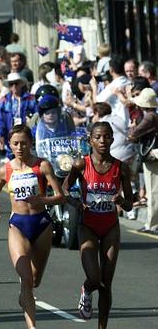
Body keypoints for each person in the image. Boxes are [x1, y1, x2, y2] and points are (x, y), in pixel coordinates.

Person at [0, 124, 64, 329]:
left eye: (24, 143)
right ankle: (32, 326)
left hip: (41, 224)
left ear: (31, 143)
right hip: (18, 226)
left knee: (34, 280)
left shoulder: (42, 166)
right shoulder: (5, 169)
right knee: (25, 278)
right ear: (10, 145)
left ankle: (25, 297)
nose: (20, 147)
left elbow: (60, 197)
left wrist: (42, 200)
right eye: (15, 143)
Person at [63, 122, 133, 326]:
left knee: (106, 283)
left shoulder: (121, 168)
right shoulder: (81, 164)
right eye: (98, 137)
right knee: (95, 279)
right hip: (88, 226)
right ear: (91, 140)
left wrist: (121, 201)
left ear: (113, 139)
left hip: (110, 226)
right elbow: (65, 190)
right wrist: (77, 203)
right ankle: (86, 288)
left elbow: (129, 205)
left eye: (107, 136)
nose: (103, 141)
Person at [127, 88, 158, 233]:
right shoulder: (152, 115)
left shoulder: (149, 117)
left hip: (153, 155)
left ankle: (152, 224)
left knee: (152, 190)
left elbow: (134, 134)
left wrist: (132, 128)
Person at [0, 73, 38, 160]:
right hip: (11, 136)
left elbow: (38, 118)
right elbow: (0, 120)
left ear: (21, 84)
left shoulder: (31, 100)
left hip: (27, 137)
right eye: (11, 84)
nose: (14, 86)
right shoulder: (4, 101)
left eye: (16, 83)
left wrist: (32, 134)